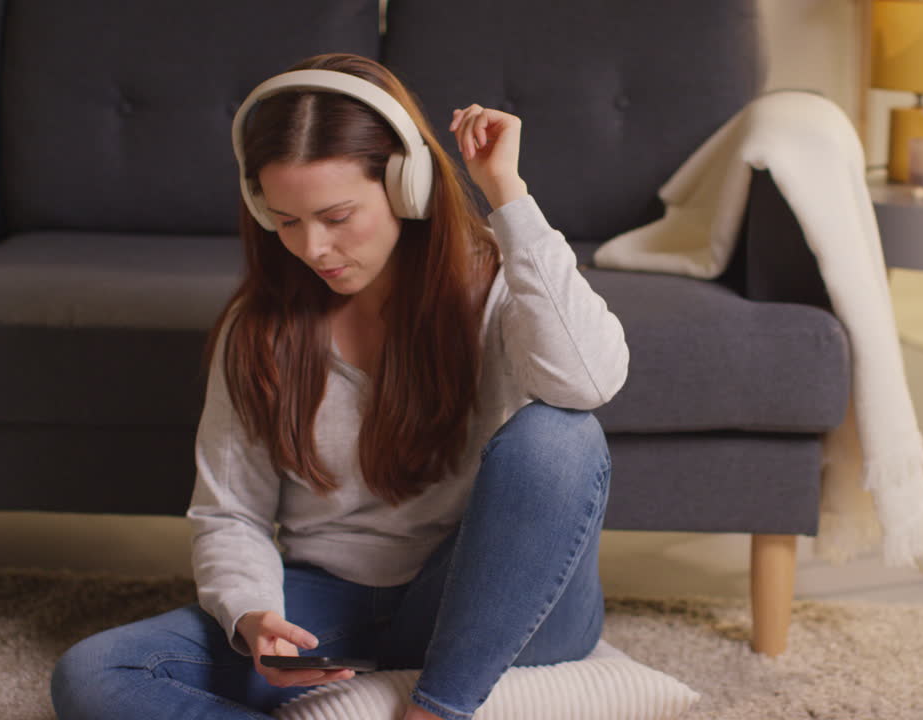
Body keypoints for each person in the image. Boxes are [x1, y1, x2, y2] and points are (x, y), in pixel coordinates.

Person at [50, 52, 628, 720]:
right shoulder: (258, 328)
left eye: (337, 215)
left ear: (407, 186)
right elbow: (230, 512)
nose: (313, 248)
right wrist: (253, 615)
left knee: (560, 437)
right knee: (97, 673)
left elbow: (588, 381)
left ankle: (439, 708)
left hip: (490, 600)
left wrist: (508, 195)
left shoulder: (501, 284)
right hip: (331, 605)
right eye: (286, 221)